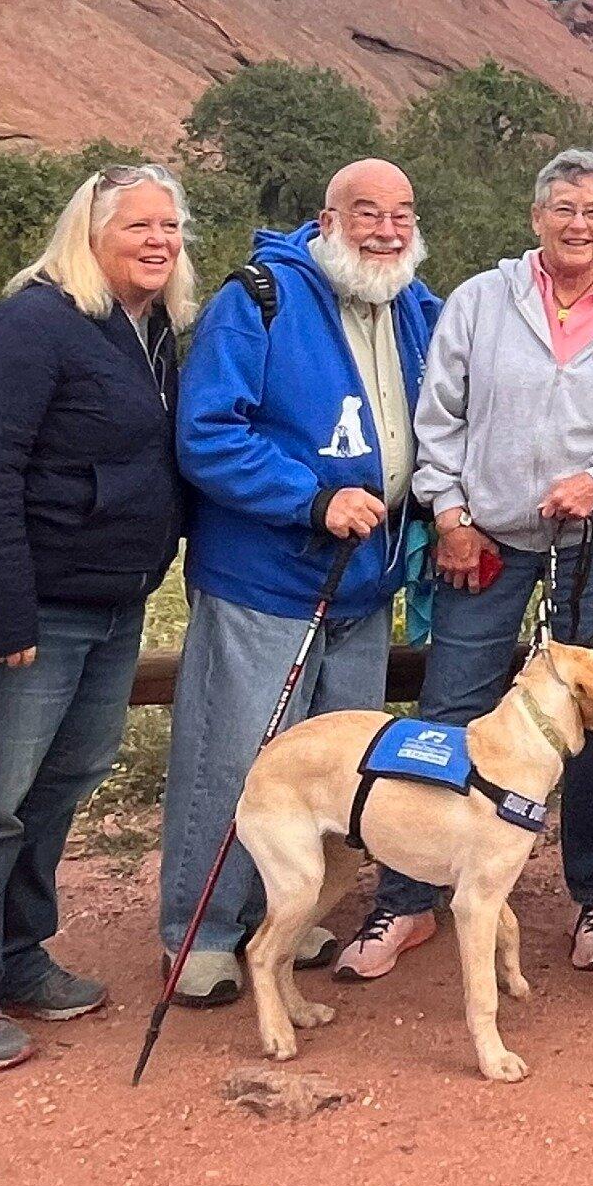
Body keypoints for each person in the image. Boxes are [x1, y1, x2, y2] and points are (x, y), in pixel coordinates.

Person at [337, 147, 593, 981]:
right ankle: (408, 901)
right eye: (563, 208)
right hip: (482, 544)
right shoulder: (481, 303)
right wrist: (450, 518)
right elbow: (438, 421)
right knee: (449, 712)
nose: (578, 224)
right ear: (536, 218)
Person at [0, 165, 194, 1072]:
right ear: (90, 231)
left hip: (109, 602)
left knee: (59, 786)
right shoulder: (26, 326)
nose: (158, 241)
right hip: (29, 609)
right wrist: (2, 612)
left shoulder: (147, 333)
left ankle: (16, 955)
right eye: (139, 225)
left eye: (171, 227)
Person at [161, 158, 438, 1007]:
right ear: (327, 219)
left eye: (401, 213)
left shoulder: (418, 309)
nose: (386, 230)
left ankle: (287, 918)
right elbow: (207, 435)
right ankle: (201, 936)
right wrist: (308, 499)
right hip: (267, 582)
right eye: (366, 213)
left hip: (365, 588)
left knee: (335, 771)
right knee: (236, 762)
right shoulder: (258, 302)